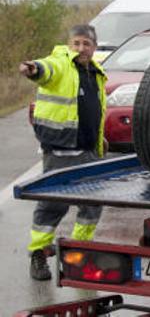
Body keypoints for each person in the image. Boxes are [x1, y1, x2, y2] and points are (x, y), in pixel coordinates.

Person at [19, 24, 107, 281]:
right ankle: (38, 254)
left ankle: (79, 250)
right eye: (77, 43)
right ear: (69, 45)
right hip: (60, 150)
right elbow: (45, 69)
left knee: (92, 206)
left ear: (94, 47)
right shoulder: (60, 64)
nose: (81, 48)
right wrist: (34, 69)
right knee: (52, 205)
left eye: (86, 44)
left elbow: (92, 110)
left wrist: (100, 139)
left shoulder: (96, 72)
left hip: (89, 151)